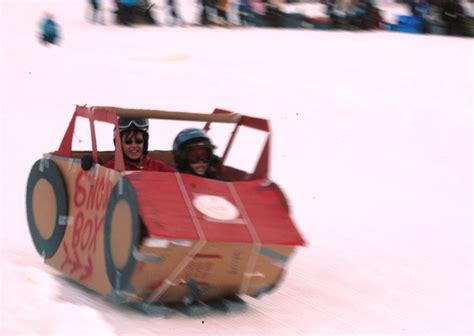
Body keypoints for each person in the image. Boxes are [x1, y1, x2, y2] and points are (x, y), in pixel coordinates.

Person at [105, 117, 176, 172]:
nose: (134, 146)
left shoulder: (158, 167)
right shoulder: (111, 168)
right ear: (120, 145)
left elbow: (180, 180)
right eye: (128, 142)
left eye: (139, 141)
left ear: (144, 143)